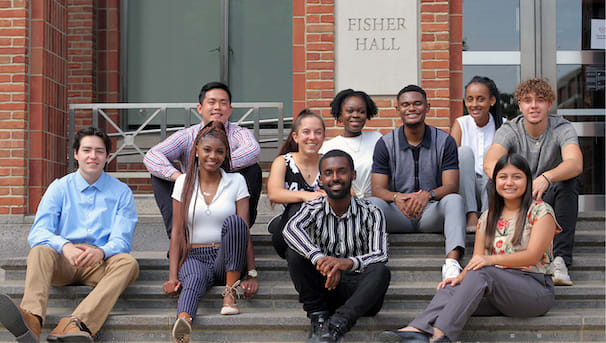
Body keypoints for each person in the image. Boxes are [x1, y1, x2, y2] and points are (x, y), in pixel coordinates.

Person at [378, 153, 560, 343]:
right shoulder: (487, 217)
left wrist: (490, 260)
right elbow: (477, 261)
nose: (509, 183)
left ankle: (441, 336)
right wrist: (459, 278)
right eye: (503, 177)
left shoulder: (541, 211)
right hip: (499, 293)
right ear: (495, 181)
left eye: (517, 177)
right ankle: (416, 330)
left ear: (527, 181)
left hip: (534, 291)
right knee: (451, 288)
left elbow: (532, 256)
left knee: (484, 272)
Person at [0, 127, 139, 342]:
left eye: (99, 151)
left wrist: (101, 252)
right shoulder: (59, 188)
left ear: (107, 157)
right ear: (76, 154)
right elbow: (39, 231)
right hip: (63, 261)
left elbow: (122, 239)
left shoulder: (122, 192)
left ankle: (76, 323)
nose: (93, 156)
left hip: (99, 264)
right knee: (39, 251)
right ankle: (33, 319)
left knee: (128, 264)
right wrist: (64, 246)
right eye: (87, 150)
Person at [162, 121, 259, 343]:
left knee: (235, 222)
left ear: (226, 155)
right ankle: (184, 322)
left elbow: (244, 232)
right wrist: (172, 276)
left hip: (227, 258)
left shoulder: (236, 181)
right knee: (194, 278)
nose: (212, 156)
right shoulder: (184, 183)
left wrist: (252, 273)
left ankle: (230, 293)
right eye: (207, 150)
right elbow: (177, 232)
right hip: (195, 256)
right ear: (196, 150)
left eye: (219, 151)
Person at [283, 149, 390, 343]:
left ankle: (335, 326)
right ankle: (318, 316)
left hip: (359, 294)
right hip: (324, 288)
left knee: (380, 270)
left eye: (342, 171)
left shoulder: (372, 212)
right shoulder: (312, 209)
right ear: (321, 179)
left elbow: (380, 254)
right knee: (294, 253)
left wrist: (345, 263)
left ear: (353, 175)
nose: (335, 178)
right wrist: (320, 259)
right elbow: (290, 229)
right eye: (329, 173)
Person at [484, 78, 583, 286]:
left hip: (548, 195)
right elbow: (490, 163)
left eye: (540, 100)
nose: (534, 105)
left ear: (549, 104)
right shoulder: (510, 129)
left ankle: (559, 261)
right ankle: (494, 250)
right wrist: (517, 186)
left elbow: (575, 163)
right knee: (493, 183)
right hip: (518, 196)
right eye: (527, 101)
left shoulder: (562, 128)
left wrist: (547, 177)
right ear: (520, 105)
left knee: (568, 182)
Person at [369, 84, 466, 281]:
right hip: (398, 212)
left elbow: (451, 185)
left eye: (417, 104)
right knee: (372, 204)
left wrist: (427, 195)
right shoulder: (385, 143)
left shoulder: (444, 141)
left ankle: (452, 264)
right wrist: (396, 197)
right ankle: (372, 260)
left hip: (431, 212)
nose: (411, 108)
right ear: (398, 109)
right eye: (405, 105)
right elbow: (377, 188)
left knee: (454, 200)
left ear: (427, 107)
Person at [144, 81, 262, 241]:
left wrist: (215, 166)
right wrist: (180, 178)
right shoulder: (187, 135)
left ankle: (238, 234)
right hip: (192, 198)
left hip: (226, 200)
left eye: (223, 103)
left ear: (230, 109)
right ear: (200, 108)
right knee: (159, 175)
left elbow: (252, 150)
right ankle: (179, 239)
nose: (217, 107)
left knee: (253, 169)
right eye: (211, 102)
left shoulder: (239, 133)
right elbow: (152, 155)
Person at [266, 109, 326, 259]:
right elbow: (274, 193)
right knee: (298, 206)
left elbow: (351, 195)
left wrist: (330, 196)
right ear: (296, 136)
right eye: (306, 132)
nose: (312, 137)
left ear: (324, 137)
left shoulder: (329, 163)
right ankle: (279, 223)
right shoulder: (283, 162)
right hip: (289, 233)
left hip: (324, 231)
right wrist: (307, 196)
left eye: (318, 132)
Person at [450, 76, 504, 232]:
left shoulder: (505, 126)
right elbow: (452, 163)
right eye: (470, 99)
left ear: (492, 101)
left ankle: (488, 215)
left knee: (493, 153)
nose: (474, 105)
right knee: (463, 153)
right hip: (467, 188)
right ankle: (471, 214)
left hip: (495, 188)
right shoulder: (461, 124)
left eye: (480, 99)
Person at [319, 88, 382, 198]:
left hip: (377, 203)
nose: (356, 115)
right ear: (340, 115)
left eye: (361, 111)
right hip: (343, 204)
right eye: (350, 111)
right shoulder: (327, 147)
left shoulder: (377, 139)